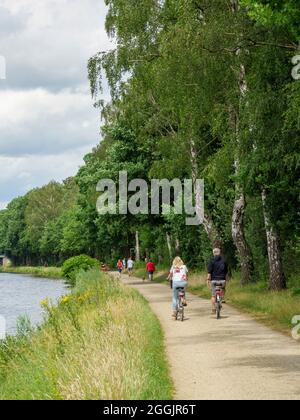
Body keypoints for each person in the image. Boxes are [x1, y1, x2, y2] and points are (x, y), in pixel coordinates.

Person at [207, 248, 228, 314]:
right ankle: (222, 298)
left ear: (213, 253)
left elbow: (209, 272)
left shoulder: (211, 261)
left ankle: (213, 308)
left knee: (213, 296)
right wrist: (225, 277)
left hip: (214, 281)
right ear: (220, 253)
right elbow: (226, 270)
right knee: (223, 289)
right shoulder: (224, 261)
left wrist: (208, 279)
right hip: (222, 280)